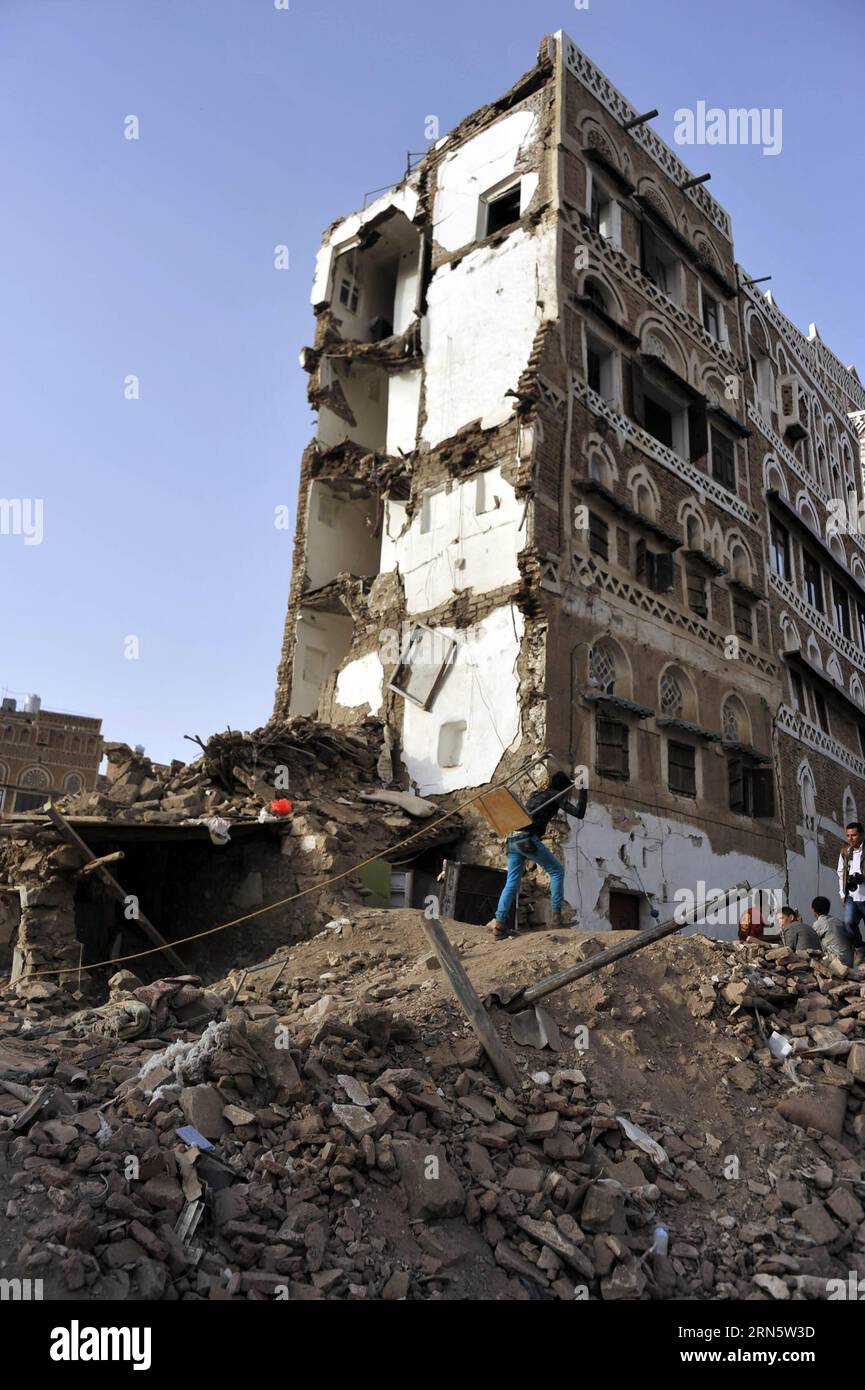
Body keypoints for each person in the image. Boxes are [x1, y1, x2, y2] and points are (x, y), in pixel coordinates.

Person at [488, 771, 587, 938]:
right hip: (527, 839)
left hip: (512, 839)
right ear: (563, 787)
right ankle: (557, 916)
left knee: (511, 882)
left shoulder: (536, 793)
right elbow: (579, 813)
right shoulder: (557, 795)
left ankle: (499, 924)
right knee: (556, 871)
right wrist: (583, 790)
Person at [838, 821, 865, 956]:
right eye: (848, 835)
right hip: (851, 896)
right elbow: (840, 873)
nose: (850, 838)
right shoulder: (845, 853)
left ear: (861, 835)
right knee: (848, 923)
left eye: (853, 835)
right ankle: (860, 947)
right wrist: (842, 893)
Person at [811, 895, 854, 967]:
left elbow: (809, 939)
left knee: (811, 958)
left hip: (837, 960)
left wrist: (799, 922)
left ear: (813, 910)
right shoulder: (838, 921)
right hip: (849, 961)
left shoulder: (819, 923)